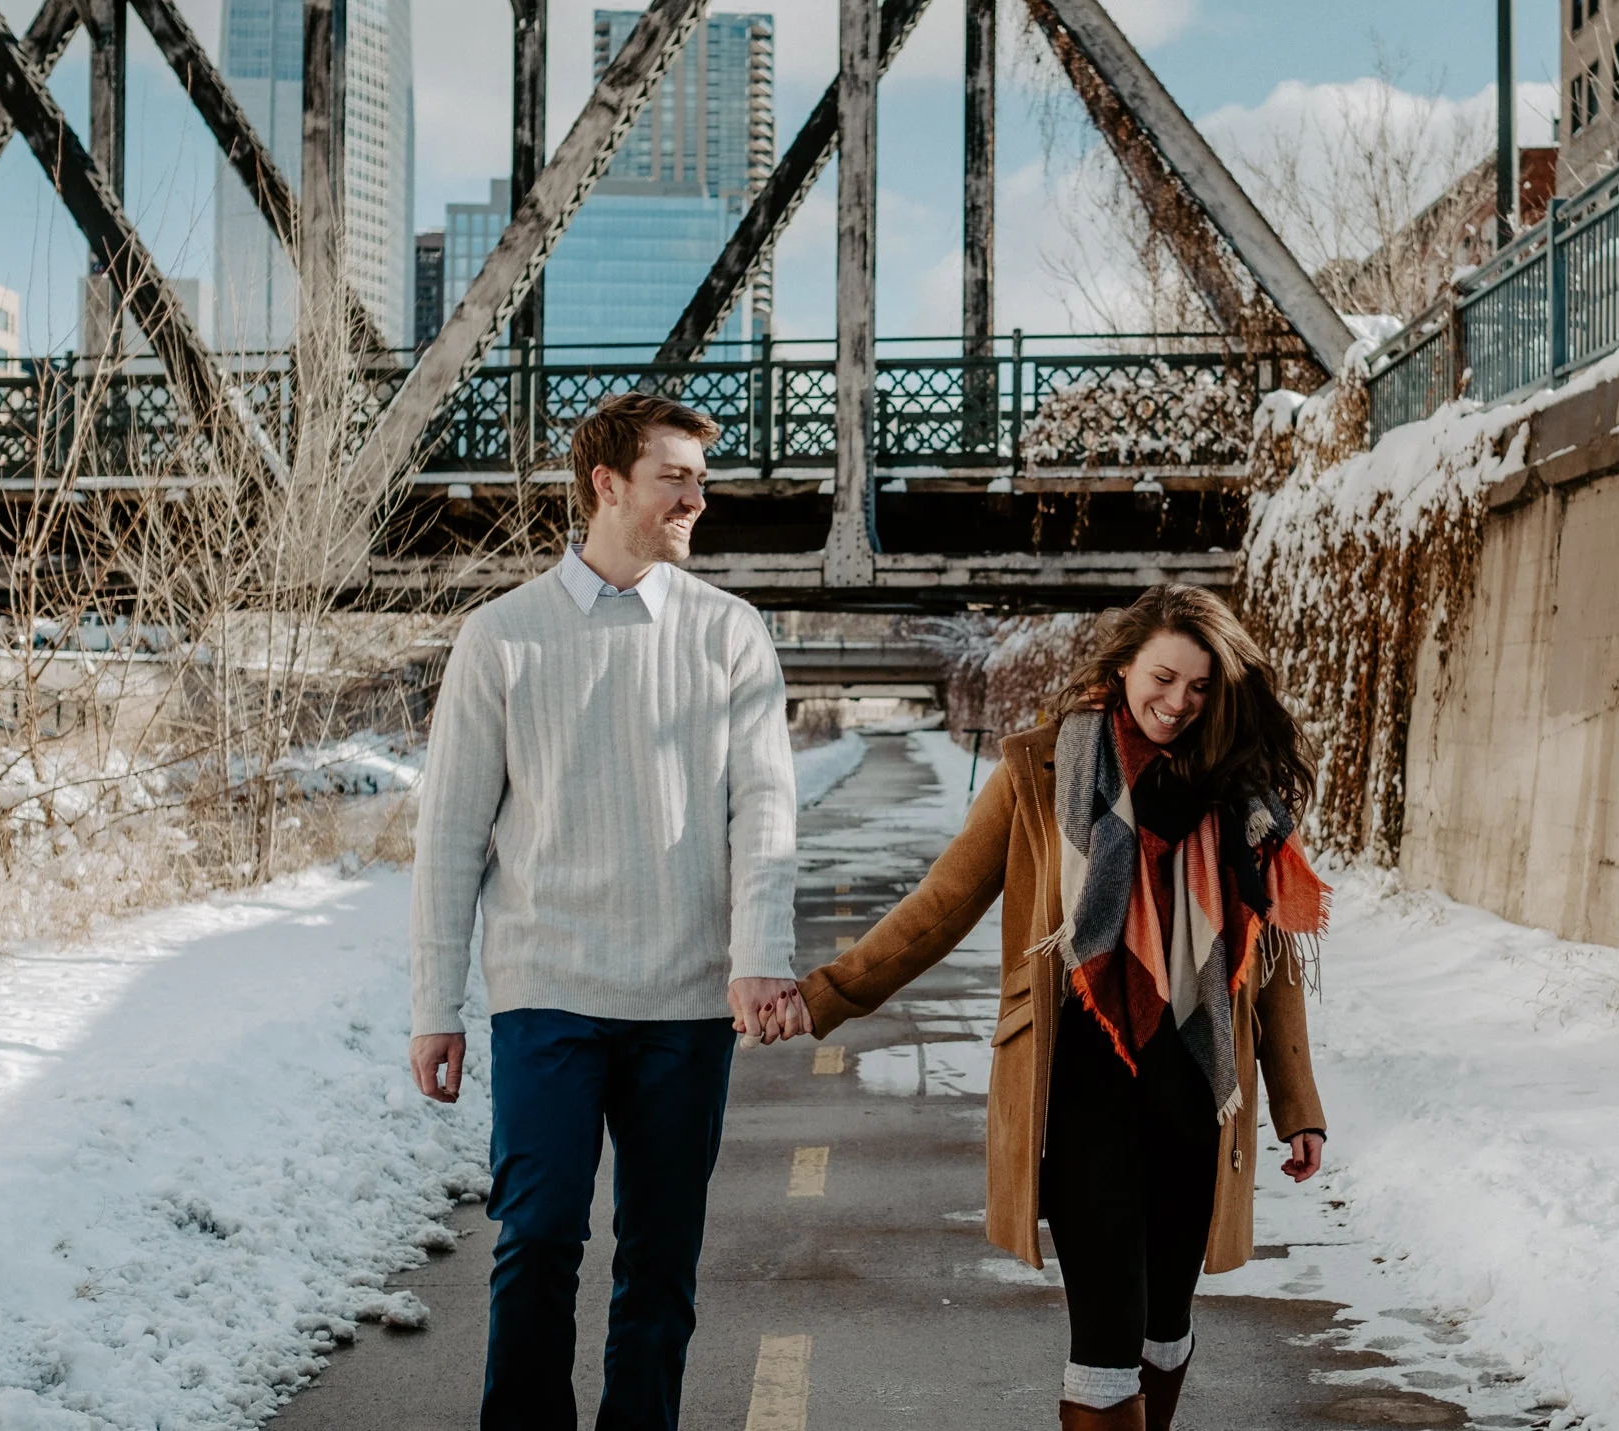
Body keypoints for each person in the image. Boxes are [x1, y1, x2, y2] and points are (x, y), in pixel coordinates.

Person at [798, 585, 1330, 1431]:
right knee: (1106, 1343)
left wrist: (1299, 1105)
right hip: (1085, 1091)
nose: (1178, 703)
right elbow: (940, 906)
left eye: (1200, 688)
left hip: (1197, 1092)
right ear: (1122, 668)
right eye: (1163, 678)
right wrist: (826, 994)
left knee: (1165, 1332)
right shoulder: (1041, 771)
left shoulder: (1243, 795)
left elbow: (1268, 965)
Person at [407, 392, 812, 1431]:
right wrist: (434, 1005)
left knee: (660, 1260)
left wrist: (759, 955)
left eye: (700, 481)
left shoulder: (730, 633)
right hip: (547, 993)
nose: (697, 498)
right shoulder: (501, 637)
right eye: (676, 477)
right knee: (536, 1235)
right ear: (607, 484)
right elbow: (450, 834)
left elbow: (764, 809)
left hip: (684, 1001)